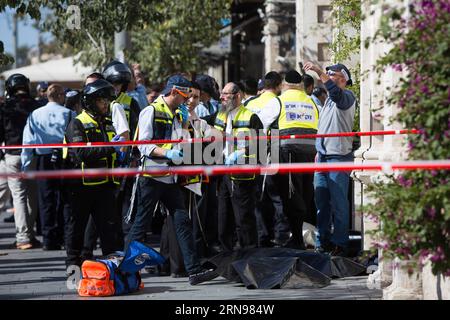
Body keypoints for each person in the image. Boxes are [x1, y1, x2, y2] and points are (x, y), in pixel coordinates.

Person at [126, 74, 218, 286]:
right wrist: (168, 153)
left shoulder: (177, 113)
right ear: (174, 91)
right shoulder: (151, 111)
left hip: (169, 177)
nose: (188, 100)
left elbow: (181, 142)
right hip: (151, 176)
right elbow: (143, 144)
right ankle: (125, 268)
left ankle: (194, 271)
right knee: (141, 224)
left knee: (182, 220)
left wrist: (185, 127)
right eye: (185, 95)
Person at [63, 79, 122, 268]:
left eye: (107, 101)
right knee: (76, 231)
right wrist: (112, 148)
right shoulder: (77, 124)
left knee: (109, 232)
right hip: (80, 187)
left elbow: (115, 149)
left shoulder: (107, 123)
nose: (106, 104)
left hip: (104, 186)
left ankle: (111, 271)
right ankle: (73, 270)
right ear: (90, 102)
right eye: (101, 100)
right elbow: (82, 154)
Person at [258, 70, 320, 249]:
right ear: (301, 84)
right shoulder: (311, 102)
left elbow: (260, 125)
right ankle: (297, 236)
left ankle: (294, 238)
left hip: (287, 153)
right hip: (310, 154)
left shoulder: (278, 101)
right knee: (305, 194)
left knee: (289, 195)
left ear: (284, 84)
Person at [304, 62, 356, 257]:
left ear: (342, 79)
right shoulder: (329, 100)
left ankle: (340, 244)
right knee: (321, 203)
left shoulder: (347, 96)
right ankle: (322, 242)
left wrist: (318, 71)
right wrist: (319, 149)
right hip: (324, 157)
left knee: (339, 203)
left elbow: (335, 92)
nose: (326, 77)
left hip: (338, 158)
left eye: (331, 75)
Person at [21, 84, 74, 250]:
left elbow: (28, 142)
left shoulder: (35, 114)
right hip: (64, 158)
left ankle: (49, 239)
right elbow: (73, 138)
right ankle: (65, 237)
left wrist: (26, 165)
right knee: (65, 199)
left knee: (46, 200)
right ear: (59, 96)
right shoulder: (69, 114)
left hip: (43, 159)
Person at [212, 82, 263, 252]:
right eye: (222, 93)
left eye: (226, 94)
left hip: (243, 174)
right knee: (223, 217)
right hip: (224, 172)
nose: (222, 97)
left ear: (238, 96)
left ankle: (249, 255)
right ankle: (227, 256)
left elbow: (260, 143)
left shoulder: (251, 117)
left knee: (244, 218)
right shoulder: (221, 114)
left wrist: (239, 153)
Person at [243, 71, 290, 247]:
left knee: (257, 194)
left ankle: (261, 235)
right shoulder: (277, 102)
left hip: (250, 151)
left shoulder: (251, 102)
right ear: (278, 86)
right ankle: (280, 236)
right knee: (276, 195)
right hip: (271, 149)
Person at [0, 74, 40, 249]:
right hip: (32, 155)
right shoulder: (37, 105)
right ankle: (29, 234)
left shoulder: (5, 107)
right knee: (32, 197)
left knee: (19, 196)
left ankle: (23, 237)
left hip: (12, 154)